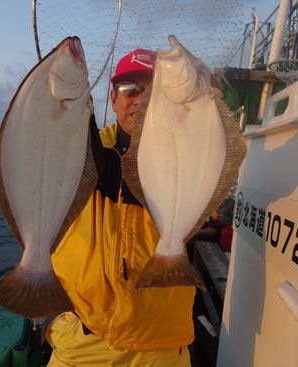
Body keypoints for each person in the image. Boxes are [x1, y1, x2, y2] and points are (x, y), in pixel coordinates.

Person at [46, 49, 196, 366]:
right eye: (131, 89)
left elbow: (130, 182)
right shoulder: (82, 151)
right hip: (83, 342)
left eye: (153, 90)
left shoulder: (189, 157)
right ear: (113, 98)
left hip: (161, 346)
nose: (141, 99)